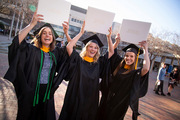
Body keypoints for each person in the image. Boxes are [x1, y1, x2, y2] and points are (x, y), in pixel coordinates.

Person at [4, 10, 69, 120]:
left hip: (46, 91)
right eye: (44, 33)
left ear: (53, 38)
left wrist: (66, 33)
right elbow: (17, 42)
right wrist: (32, 24)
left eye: (50, 33)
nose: (47, 35)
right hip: (30, 89)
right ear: (39, 36)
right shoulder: (31, 50)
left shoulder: (56, 53)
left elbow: (70, 50)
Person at [58, 21, 114, 120]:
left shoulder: (98, 63)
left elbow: (111, 52)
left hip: (90, 98)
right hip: (76, 95)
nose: (93, 49)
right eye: (90, 47)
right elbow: (69, 46)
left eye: (95, 48)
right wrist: (81, 33)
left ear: (97, 50)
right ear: (86, 48)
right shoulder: (78, 60)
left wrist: (109, 37)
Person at [98, 34, 150, 120]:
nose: (128, 58)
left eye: (131, 56)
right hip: (107, 98)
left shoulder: (135, 73)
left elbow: (146, 69)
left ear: (136, 58)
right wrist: (116, 42)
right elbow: (111, 52)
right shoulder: (118, 64)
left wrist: (145, 50)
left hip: (120, 103)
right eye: (127, 55)